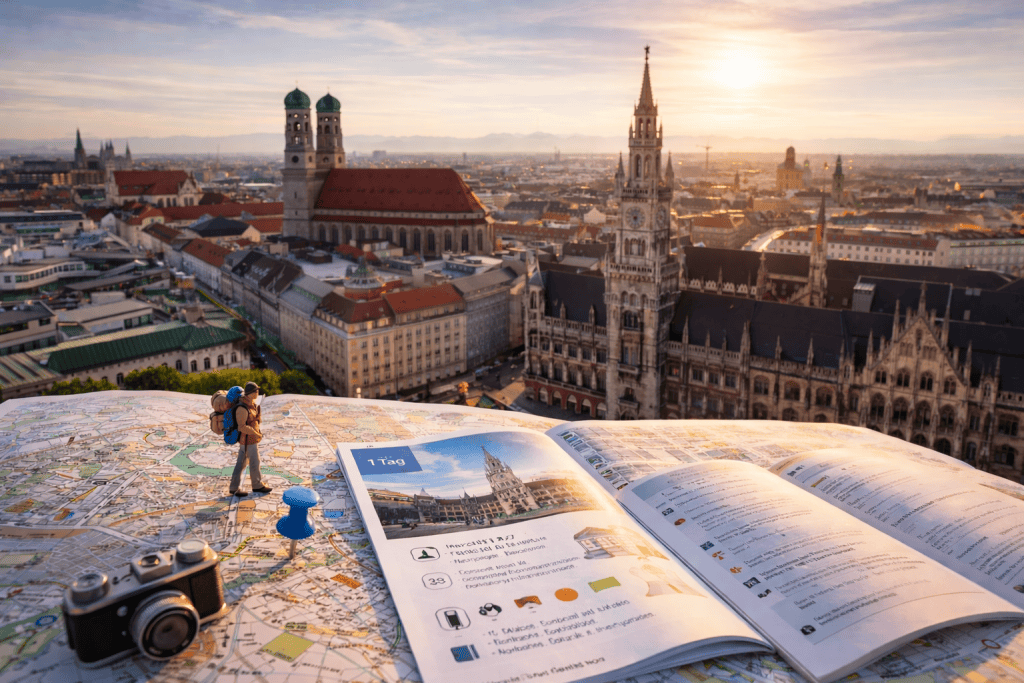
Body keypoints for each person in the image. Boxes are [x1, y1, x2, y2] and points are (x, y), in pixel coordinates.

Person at [229, 382, 273, 496]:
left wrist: (258, 416)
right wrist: (255, 433)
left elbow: (254, 421)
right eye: (256, 391)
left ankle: (234, 487)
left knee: (242, 463)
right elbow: (242, 426)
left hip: (251, 439)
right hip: (248, 441)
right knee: (253, 462)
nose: (258, 393)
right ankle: (257, 485)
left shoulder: (252, 405)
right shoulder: (242, 407)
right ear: (250, 393)